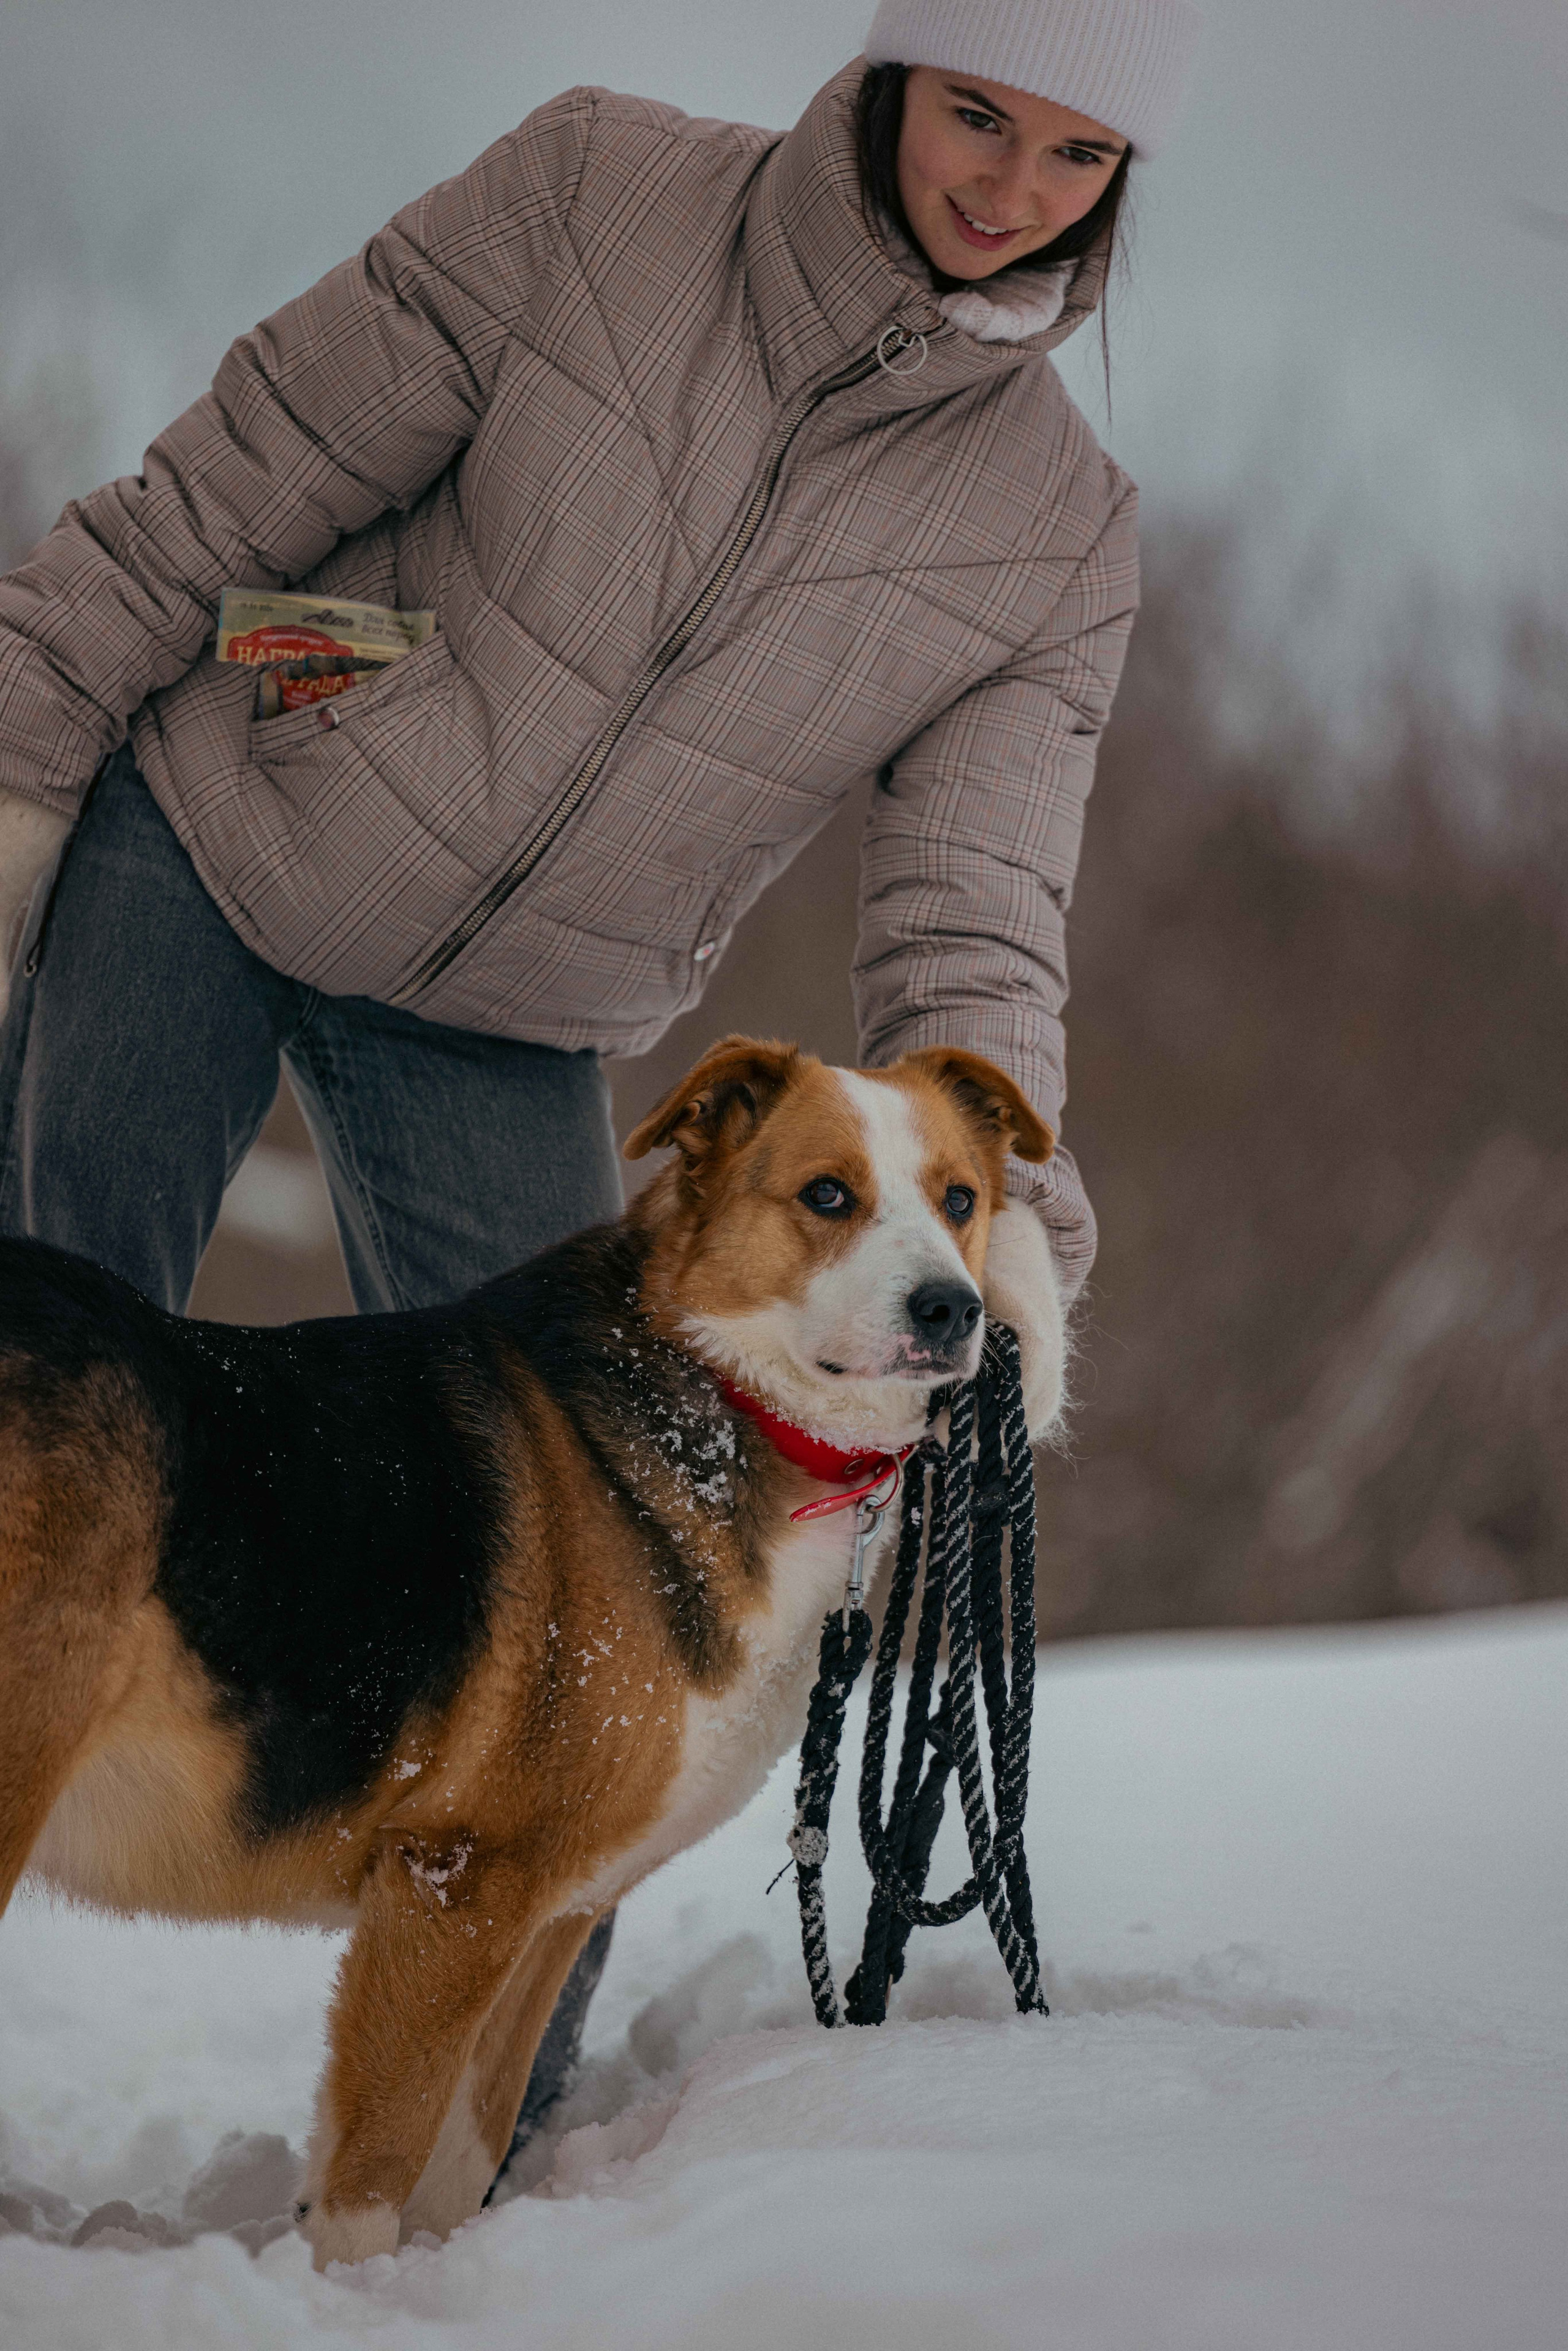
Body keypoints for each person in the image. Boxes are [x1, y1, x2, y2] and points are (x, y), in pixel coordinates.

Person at [0, 0, 1200, 2181]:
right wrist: (19, 733)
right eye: (979, 113)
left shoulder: (1053, 531)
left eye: (1077, 153)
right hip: (219, 834)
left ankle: (483, 2174)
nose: (1009, 187)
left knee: (609, 1617)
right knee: (41, 1445)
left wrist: (999, 1236)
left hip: (529, 1020)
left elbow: (971, 919)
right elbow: (242, 467)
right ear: (890, 75)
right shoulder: (597, 197)